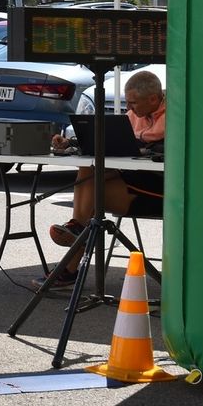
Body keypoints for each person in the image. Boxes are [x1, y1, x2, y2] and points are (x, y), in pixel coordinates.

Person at [40, 70, 167, 289]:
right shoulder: (135, 115)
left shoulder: (176, 116)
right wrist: (71, 143)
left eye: (133, 103)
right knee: (88, 167)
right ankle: (77, 231)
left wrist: (145, 149)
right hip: (133, 178)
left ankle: (71, 263)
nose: (129, 109)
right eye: (127, 103)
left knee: (91, 194)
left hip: (159, 187)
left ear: (154, 99)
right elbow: (113, 140)